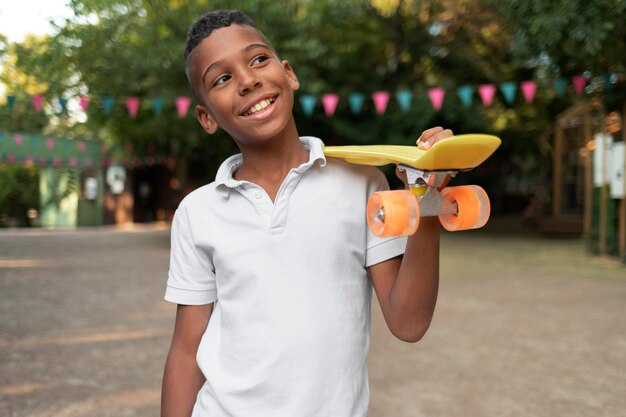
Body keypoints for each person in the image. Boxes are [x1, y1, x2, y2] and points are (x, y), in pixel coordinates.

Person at [161, 9, 453, 417]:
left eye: (258, 59)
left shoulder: (362, 184)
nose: (248, 80)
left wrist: (427, 200)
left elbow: (409, 323)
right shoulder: (198, 212)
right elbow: (185, 349)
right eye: (222, 78)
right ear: (206, 117)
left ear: (289, 74)